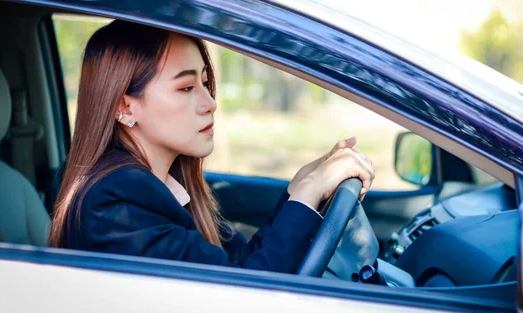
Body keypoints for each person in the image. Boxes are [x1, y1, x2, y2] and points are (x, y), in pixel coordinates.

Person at [48, 20, 375, 274]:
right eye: (187, 87)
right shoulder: (117, 202)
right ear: (125, 106)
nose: (209, 103)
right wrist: (307, 195)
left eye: (205, 83)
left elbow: (241, 265)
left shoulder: (162, 187)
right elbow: (245, 296)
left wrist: (299, 190)